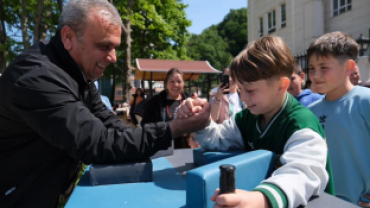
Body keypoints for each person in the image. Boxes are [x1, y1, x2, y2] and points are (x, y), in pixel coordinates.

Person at [0, 0, 209, 207]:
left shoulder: (77, 73)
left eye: (115, 47)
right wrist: (175, 128)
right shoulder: (38, 78)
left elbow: (111, 125)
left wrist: (170, 125)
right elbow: (99, 143)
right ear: (68, 37)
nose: (113, 57)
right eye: (104, 46)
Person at [176, 36, 334, 208]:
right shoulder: (246, 118)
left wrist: (260, 200)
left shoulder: (301, 123)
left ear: (281, 85)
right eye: (240, 89)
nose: (243, 97)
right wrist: (201, 122)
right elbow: (218, 140)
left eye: (250, 90)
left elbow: (303, 174)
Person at [307, 31, 370, 207]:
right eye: (311, 68)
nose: (315, 75)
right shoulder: (309, 112)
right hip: (322, 202)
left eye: (324, 67)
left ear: (349, 67)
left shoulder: (365, 100)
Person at [141, 68, 189, 148]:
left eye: (179, 82)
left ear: (183, 83)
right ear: (166, 84)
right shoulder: (155, 102)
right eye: (172, 81)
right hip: (161, 149)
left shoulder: (189, 101)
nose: (176, 85)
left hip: (185, 149)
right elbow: (145, 125)